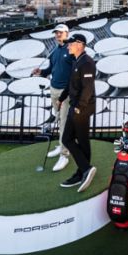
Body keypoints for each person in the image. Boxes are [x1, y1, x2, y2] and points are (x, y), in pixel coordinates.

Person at [58, 33, 97, 191]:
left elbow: (87, 89)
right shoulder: (77, 61)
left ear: (80, 45)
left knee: (77, 139)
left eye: (71, 43)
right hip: (76, 106)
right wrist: (62, 98)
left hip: (82, 108)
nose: (68, 46)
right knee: (70, 138)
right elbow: (71, 84)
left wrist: (79, 107)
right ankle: (85, 169)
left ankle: (84, 170)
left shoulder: (87, 63)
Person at [33, 24, 74, 172]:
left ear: (67, 34)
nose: (57, 35)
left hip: (65, 92)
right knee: (57, 118)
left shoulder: (71, 50)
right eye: (56, 33)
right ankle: (61, 145)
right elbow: (52, 69)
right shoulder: (55, 50)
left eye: (60, 33)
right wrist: (41, 72)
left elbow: (75, 73)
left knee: (63, 122)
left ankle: (64, 155)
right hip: (53, 88)